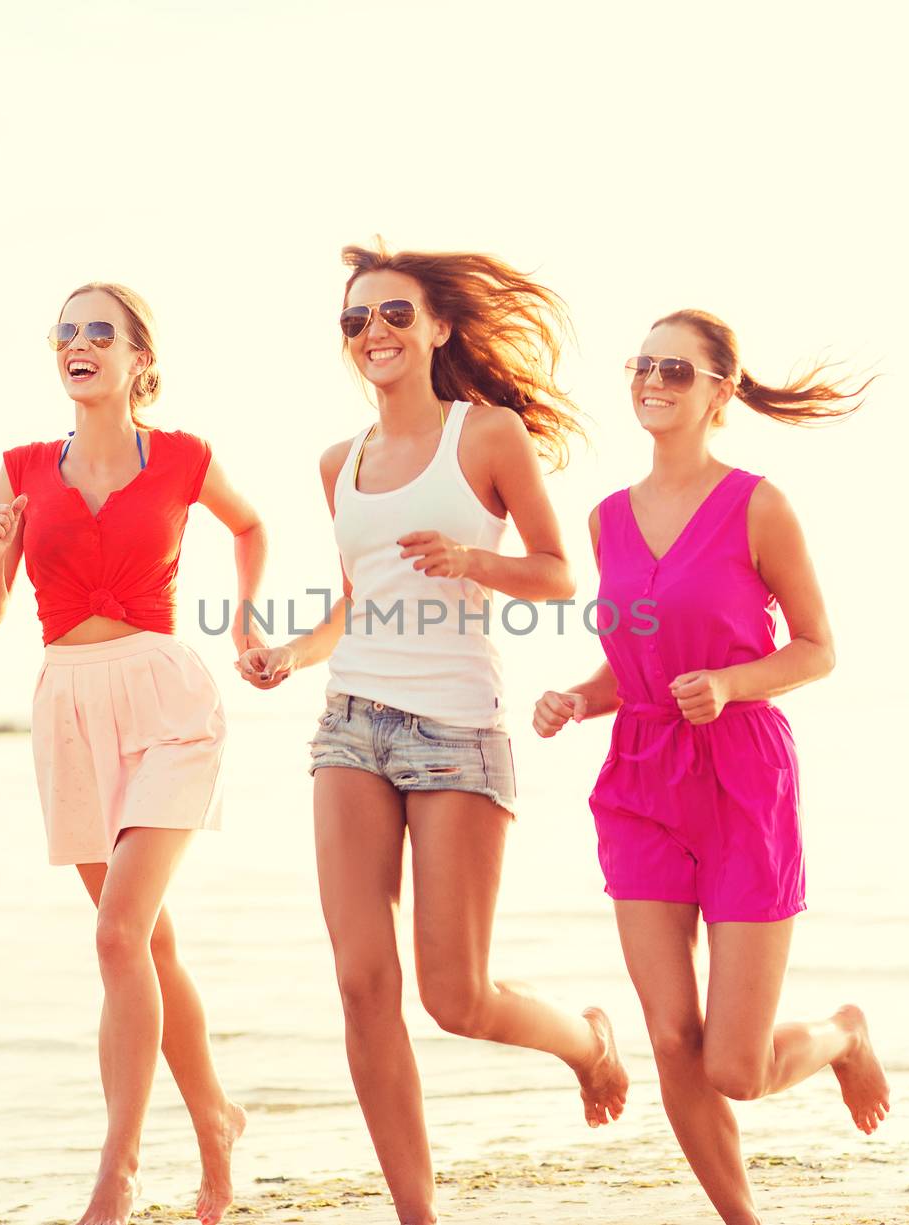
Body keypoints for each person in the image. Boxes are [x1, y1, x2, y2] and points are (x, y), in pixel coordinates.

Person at [237, 244, 629, 1225]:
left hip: (458, 731)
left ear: (439, 328)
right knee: (363, 983)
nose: (374, 332)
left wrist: (469, 560)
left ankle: (584, 1042)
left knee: (454, 997)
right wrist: (292, 652)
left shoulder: (486, 434)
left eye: (394, 314)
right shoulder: (340, 463)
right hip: (351, 729)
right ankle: (419, 1216)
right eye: (355, 319)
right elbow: (352, 603)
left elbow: (554, 571)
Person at [533, 309, 890, 1224]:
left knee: (734, 1066)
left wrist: (731, 685)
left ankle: (845, 1034)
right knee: (668, 1036)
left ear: (720, 390)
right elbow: (637, 657)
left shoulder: (758, 504)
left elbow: (816, 648)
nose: (652, 381)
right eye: (642, 364)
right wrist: (579, 696)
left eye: (676, 370)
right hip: (640, 776)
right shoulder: (607, 518)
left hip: (741, 779)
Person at [0, 282, 264, 1225]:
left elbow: (251, 525)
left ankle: (119, 1170)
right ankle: (215, 1120)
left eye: (102, 331)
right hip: (68, 703)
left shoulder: (182, 457)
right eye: (67, 332)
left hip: (167, 701)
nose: (80, 344)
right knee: (147, 940)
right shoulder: (20, 468)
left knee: (116, 934)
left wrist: (251, 615)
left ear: (141, 359)